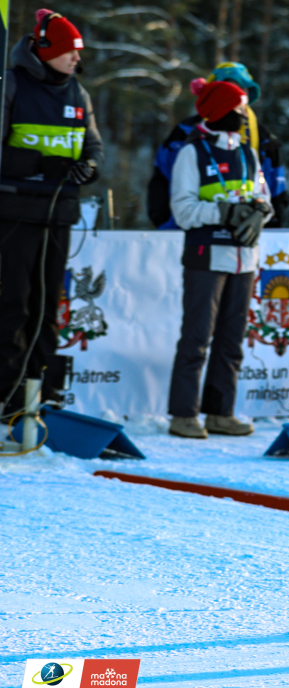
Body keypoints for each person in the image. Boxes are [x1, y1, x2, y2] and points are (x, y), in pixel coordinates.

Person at [0, 8, 103, 412]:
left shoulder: (78, 92)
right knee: (15, 305)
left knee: (46, 308)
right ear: (45, 51)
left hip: (59, 214)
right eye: (69, 50)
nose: (77, 58)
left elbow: (93, 147)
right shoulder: (11, 85)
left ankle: (39, 392)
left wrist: (87, 167)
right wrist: (41, 164)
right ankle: (8, 395)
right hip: (16, 213)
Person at [167, 79, 272, 439]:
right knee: (197, 338)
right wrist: (224, 212)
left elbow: (264, 196)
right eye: (239, 109)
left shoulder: (248, 154)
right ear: (220, 112)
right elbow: (183, 211)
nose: (244, 116)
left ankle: (220, 413)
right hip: (206, 256)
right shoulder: (191, 153)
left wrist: (259, 213)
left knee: (232, 340)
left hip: (245, 259)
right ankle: (183, 414)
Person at [148, 62, 288, 229]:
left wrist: (266, 217)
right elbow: (163, 180)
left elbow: (272, 185)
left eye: (242, 89)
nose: (236, 93)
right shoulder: (184, 135)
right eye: (227, 87)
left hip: (248, 234)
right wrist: (165, 225)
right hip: (190, 233)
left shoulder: (263, 139)